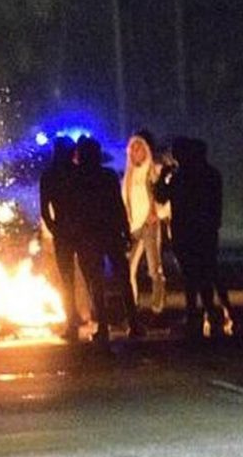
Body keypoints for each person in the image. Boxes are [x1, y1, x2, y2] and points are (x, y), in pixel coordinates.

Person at [155, 138, 231, 337]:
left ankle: (195, 314)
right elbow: (215, 205)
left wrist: (163, 176)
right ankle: (210, 311)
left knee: (191, 275)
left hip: (185, 232)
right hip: (205, 232)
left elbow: (161, 197)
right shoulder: (211, 175)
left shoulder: (180, 177)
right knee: (206, 272)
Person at [71, 137, 138, 344]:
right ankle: (134, 322)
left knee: (96, 282)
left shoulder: (76, 178)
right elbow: (118, 205)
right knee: (122, 278)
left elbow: (75, 211)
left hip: (89, 235)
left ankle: (104, 327)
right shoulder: (108, 176)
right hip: (110, 232)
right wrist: (125, 231)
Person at [40, 136, 83, 340]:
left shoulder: (49, 175)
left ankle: (72, 322)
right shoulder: (78, 172)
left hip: (64, 231)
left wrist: (54, 228)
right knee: (87, 275)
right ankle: (85, 319)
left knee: (67, 279)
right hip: (79, 229)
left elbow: (44, 209)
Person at [122, 132, 167, 315]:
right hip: (133, 226)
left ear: (145, 150)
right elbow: (125, 200)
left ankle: (158, 305)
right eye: (132, 149)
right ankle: (132, 306)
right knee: (128, 268)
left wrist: (157, 213)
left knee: (153, 267)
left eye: (138, 148)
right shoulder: (128, 175)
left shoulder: (154, 170)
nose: (135, 152)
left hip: (149, 224)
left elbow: (162, 196)